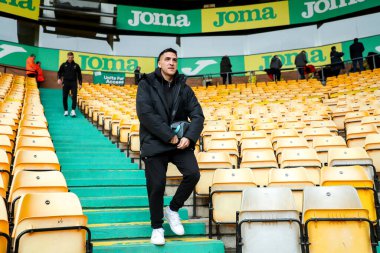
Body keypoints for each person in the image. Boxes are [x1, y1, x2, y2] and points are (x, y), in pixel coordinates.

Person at [136, 48, 204, 246]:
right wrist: (170, 136)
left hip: (180, 143)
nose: (171, 62)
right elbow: (145, 114)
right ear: (159, 63)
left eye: (174, 59)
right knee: (156, 186)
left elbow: (198, 116)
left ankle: (173, 210)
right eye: (167, 59)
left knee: (193, 174)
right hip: (155, 141)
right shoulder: (146, 83)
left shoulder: (184, 87)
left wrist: (189, 138)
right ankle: (157, 227)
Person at [57, 52, 82, 117]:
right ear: (67, 57)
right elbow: (59, 72)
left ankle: (73, 110)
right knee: (65, 96)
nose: (70, 59)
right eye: (69, 57)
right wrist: (59, 78)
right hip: (65, 82)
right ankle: (66, 110)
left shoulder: (76, 65)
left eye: (71, 57)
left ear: (73, 57)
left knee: (74, 96)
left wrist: (80, 83)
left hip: (73, 82)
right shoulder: (63, 65)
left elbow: (79, 75)